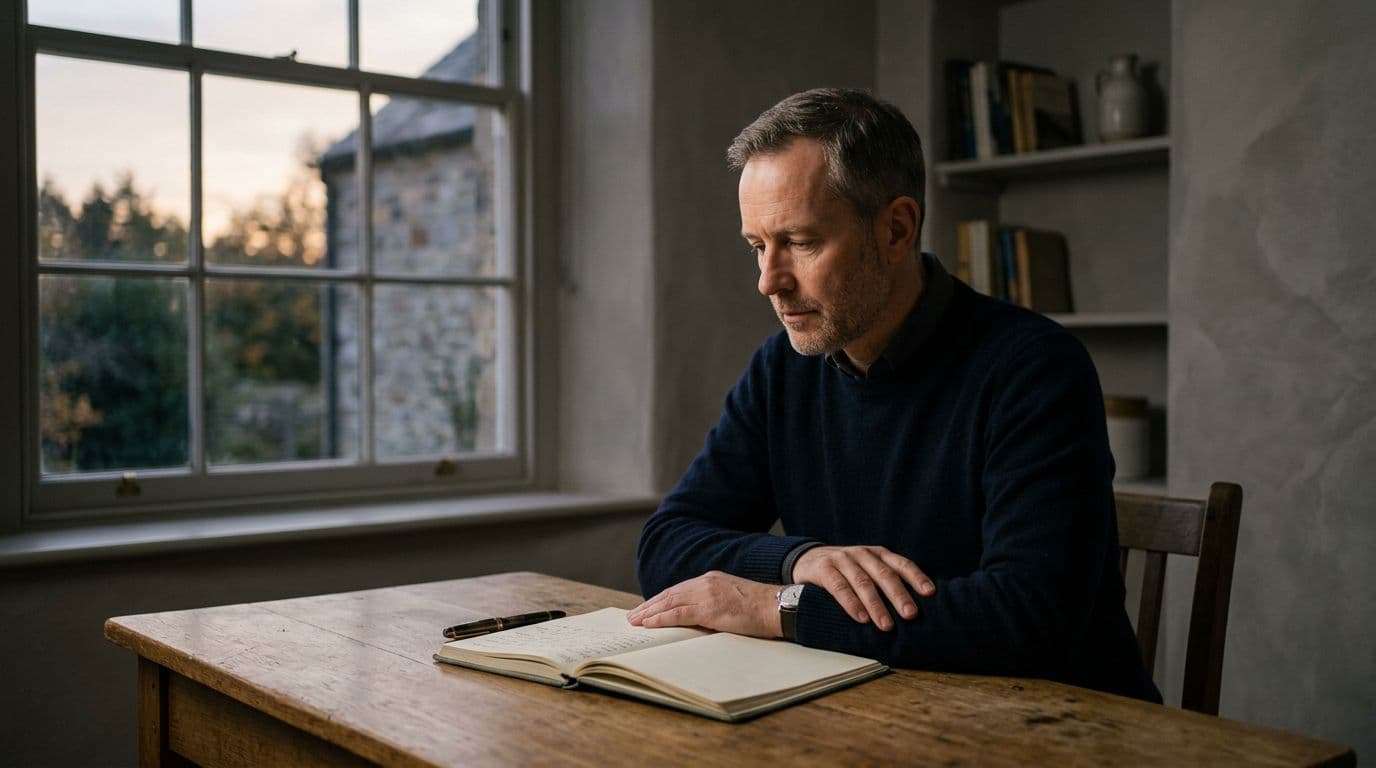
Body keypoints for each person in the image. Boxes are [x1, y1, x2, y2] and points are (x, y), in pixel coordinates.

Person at [628, 88, 1160, 702]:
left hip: (1067, 727)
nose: (768, 281)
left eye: (800, 243)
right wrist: (799, 560)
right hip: (875, 709)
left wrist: (783, 606)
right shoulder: (783, 368)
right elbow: (665, 545)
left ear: (897, 229)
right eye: (757, 246)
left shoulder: (1034, 368)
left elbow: (1028, 615)